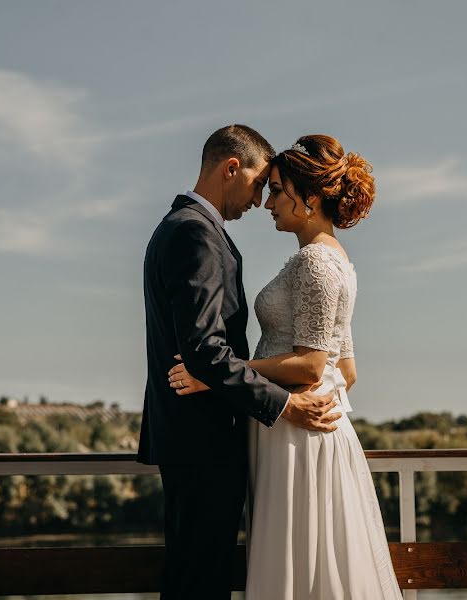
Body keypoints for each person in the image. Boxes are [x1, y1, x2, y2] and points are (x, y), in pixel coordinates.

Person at [169, 134, 403, 598]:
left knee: (296, 558)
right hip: (311, 427)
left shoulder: (314, 262)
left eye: (277, 190)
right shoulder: (337, 260)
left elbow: (314, 365)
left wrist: (219, 375)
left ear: (310, 198)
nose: (268, 202)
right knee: (315, 558)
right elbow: (345, 371)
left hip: (296, 435)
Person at [137, 124, 341, 600]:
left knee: (195, 576)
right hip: (201, 441)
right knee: (200, 582)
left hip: (191, 439)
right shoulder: (196, 234)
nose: (259, 201)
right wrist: (285, 407)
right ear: (232, 168)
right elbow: (205, 351)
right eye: (257, 185)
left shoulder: (186, 228)